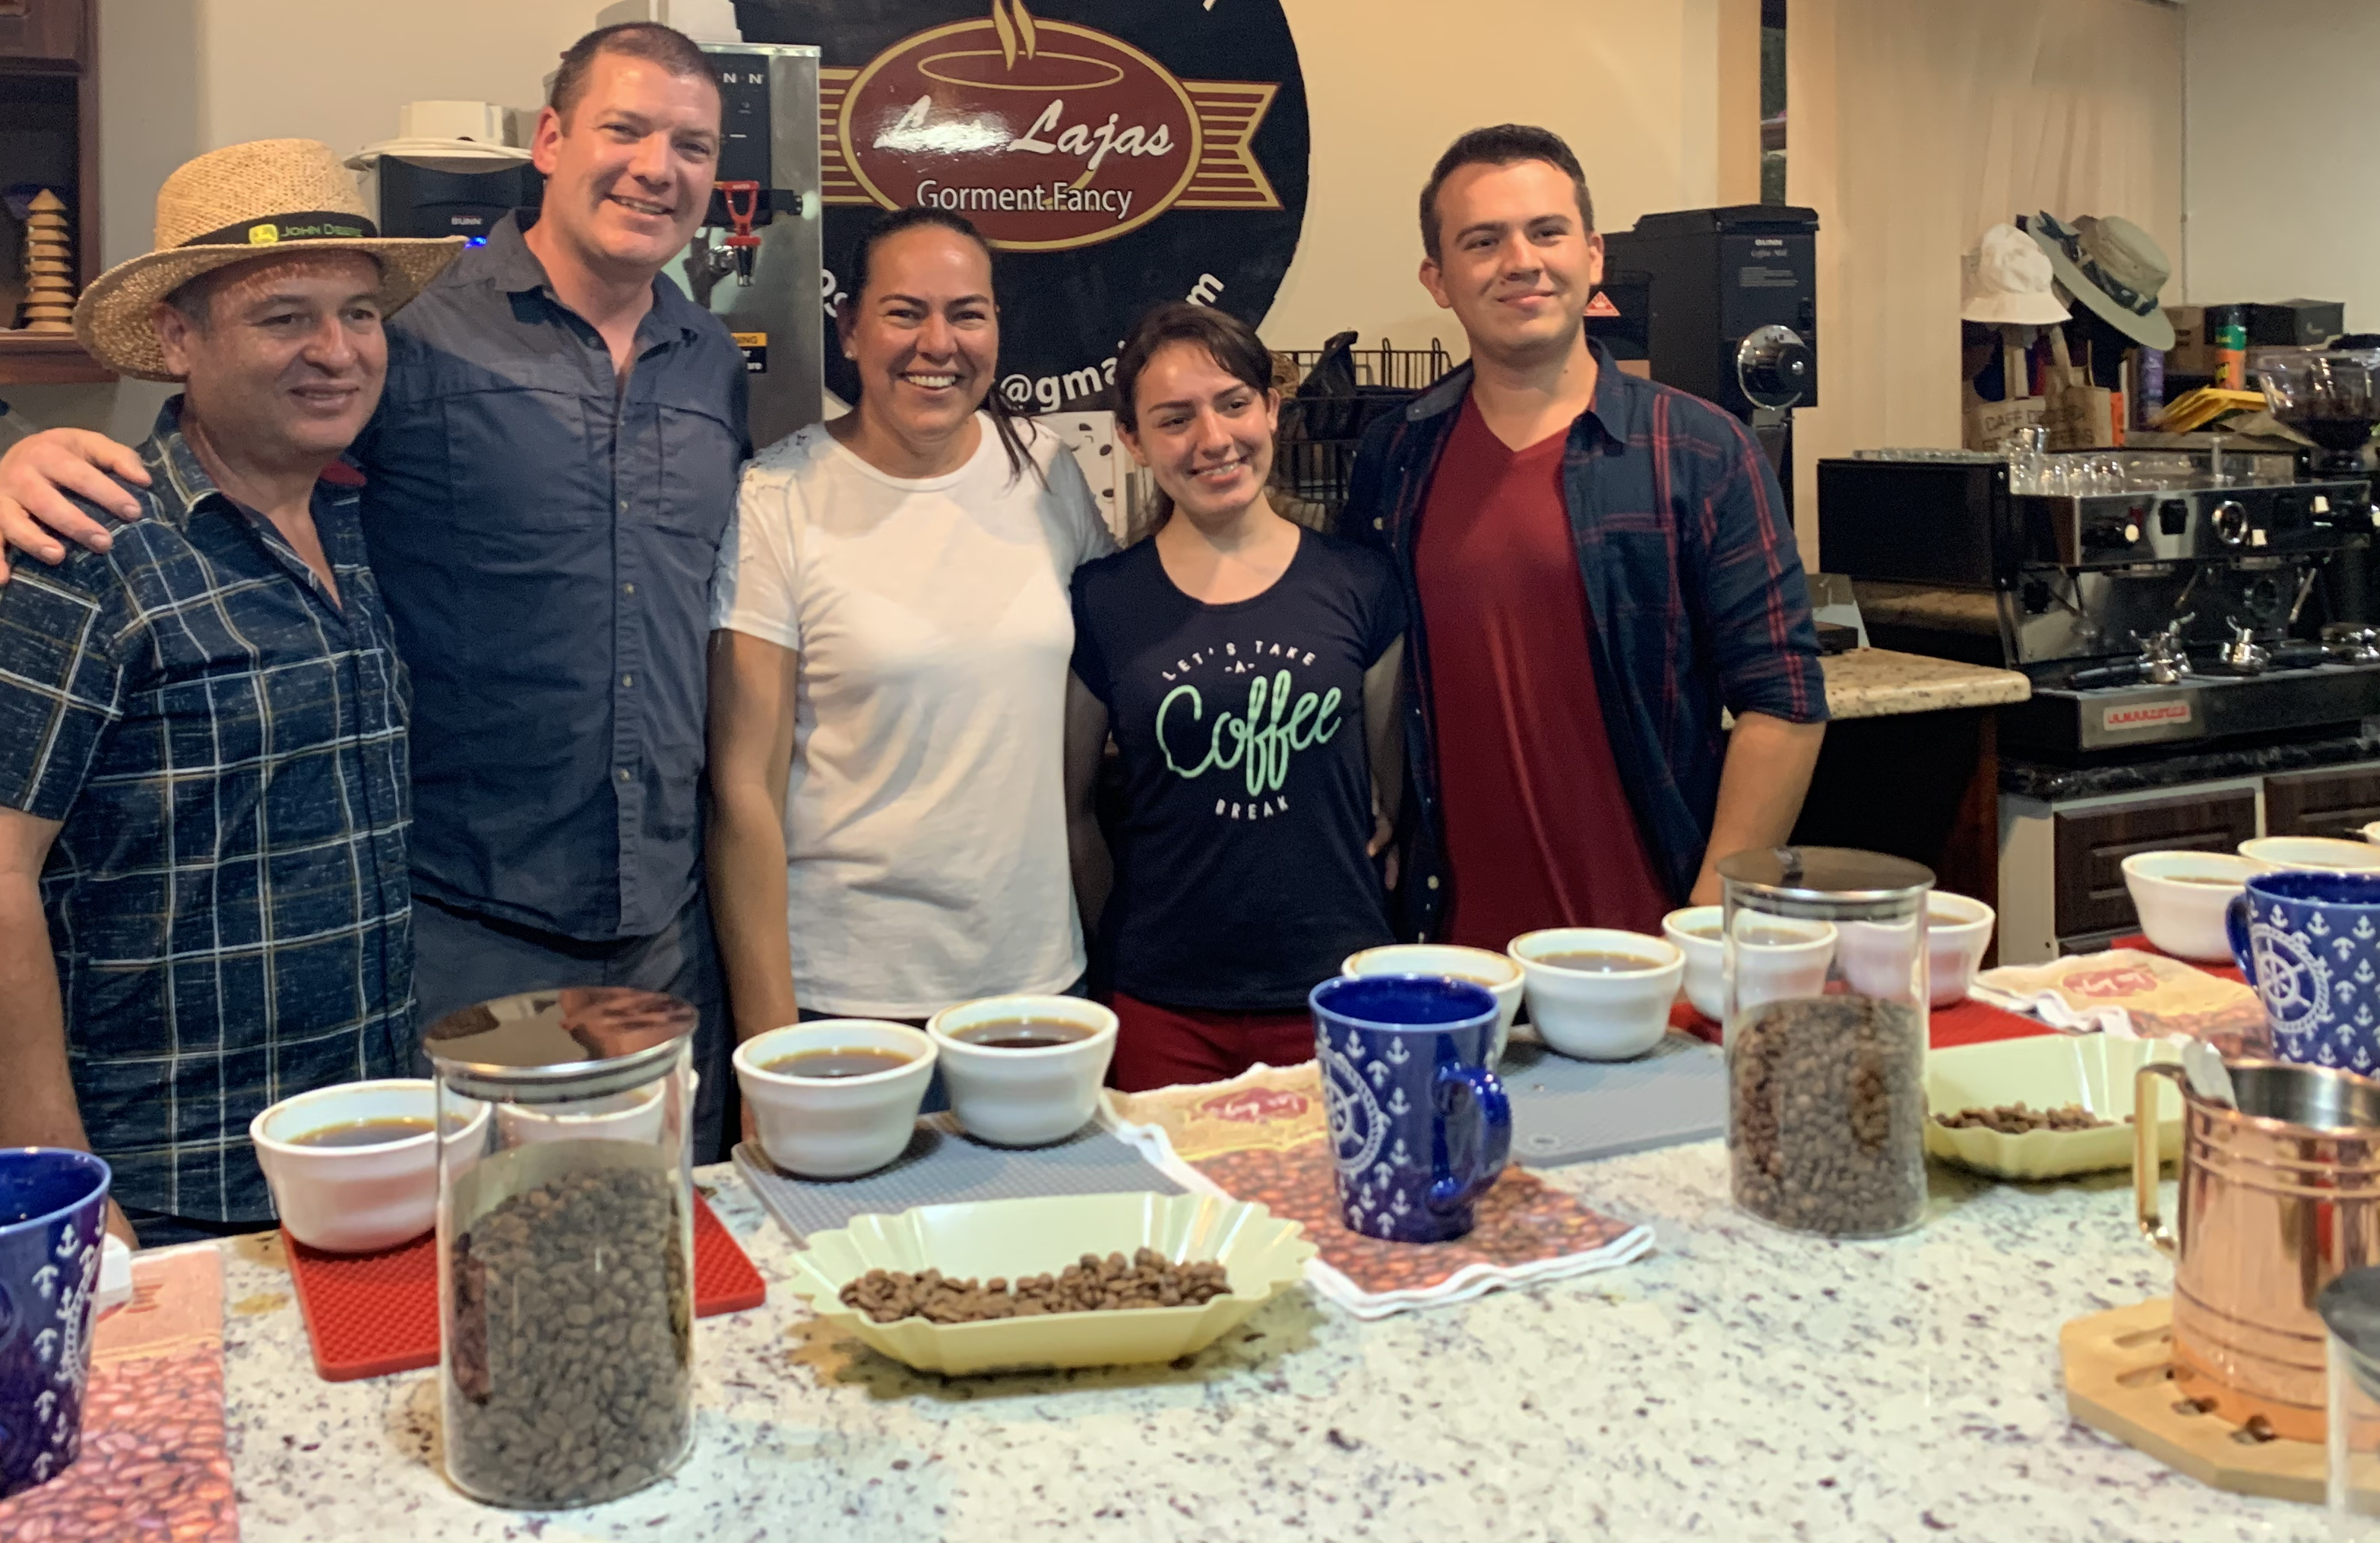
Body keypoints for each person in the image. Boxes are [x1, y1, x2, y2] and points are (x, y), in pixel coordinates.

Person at [0, 24, 751, 1153]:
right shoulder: (413, 331)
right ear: (549, 139)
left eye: (691, 143)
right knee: (487, 1247)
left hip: (670, 919)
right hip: (469, 915)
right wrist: (41, 458)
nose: (656, 166)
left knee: (649, 1253)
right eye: (624, 128)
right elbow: (242, 445)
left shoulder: (714, 359)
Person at [0, 140, 464, 1245]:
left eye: (360, 315)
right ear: (178, 336)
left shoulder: (358, 527)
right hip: (175, 1187)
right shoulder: (83, 547)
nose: (336, 352)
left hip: (370, 1153)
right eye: (283, 318)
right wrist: (63, 1188)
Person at [1343, 125, 1828, 950]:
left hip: (1649, 944)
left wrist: (1705, 920)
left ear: (1594, 255)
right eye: (1482, 241)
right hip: (1451, 954)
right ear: (1439, 279)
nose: (1521, 261)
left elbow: (1783, 701)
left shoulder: (1703, 452)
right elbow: (1358, 667)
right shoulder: (1396, 457)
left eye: (1547, 231)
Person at [706, 208, 1112, 1043]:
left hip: (1038, 987)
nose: (939, 343)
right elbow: (743, 791)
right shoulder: (780, 497)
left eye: (967, 313)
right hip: (847, 1000)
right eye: (904, 312)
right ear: (850, 330)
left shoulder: (1047, 471)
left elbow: (1113, 677)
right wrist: (770, 1042)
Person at [1065, 304, 1405, 1092]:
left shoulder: (1360, 583)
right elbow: (1073, 809)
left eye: (1233, 404)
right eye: (1174, 419)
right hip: (1161, 1001)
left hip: (1339, 986)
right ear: (1132, 441)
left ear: (1272, 410)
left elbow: (1391, 797)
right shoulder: (1104, 601)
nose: (1213, 440)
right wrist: (1115, 940)